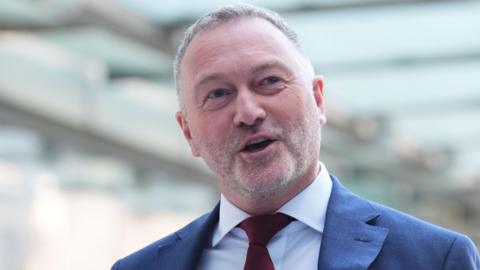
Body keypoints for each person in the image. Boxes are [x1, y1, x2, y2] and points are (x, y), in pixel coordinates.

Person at [112, 4, 480, 270]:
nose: (248, 112)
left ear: (318, 100)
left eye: (269, 81)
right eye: (218, 94)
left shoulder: (434, 258)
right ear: (188, 132)